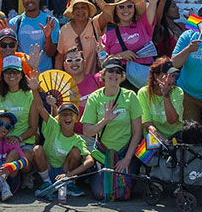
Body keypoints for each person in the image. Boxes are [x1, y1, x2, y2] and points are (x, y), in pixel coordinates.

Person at [80, 57, 144, 201]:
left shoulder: (130, 96)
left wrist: (127, 159)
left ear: (122, 77)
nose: (114, 74)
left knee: (122, 194)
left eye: (118, 71)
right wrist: (105, 120)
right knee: (100, 193)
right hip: (103, 153)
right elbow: (87, 131)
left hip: (125, 152)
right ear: (103, 74)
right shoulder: (95, 98)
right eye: (111, 70)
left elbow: (137, 133)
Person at [35, 102, 97, 204]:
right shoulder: (54, 127)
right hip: (48, 167)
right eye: (64, 114)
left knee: (76, 151)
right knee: (37, 149)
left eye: (71, 114)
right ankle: (46, 182)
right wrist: (34, 89)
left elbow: (90, 161)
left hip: (65, 171)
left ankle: (68, 183)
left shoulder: (78, 140)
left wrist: (69, 175)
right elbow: (40, 108)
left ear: (77, 119)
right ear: (59, 118)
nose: (68, 117)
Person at [103, 0, 162, 88]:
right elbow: (103, 63)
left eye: (130, 6)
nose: (126, 10)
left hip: (145, 81)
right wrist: (119, 56)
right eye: (121, 7)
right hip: (120, 82)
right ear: (115, 11)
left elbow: (153, 0)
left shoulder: (143, 24)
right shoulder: (108, 36)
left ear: (134, 9)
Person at [57, 0, 109, 77]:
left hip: (93, 80)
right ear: (72, 12)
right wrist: (59, 80)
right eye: (76, 8)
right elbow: (60, 57)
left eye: (83, 7)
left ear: (88, 10)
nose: (80, 11)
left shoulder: (95, 24)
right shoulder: (64, 30)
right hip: (71, 83)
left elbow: (108, 12)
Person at [9, 0, 58, 71]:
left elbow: (51, 53)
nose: (29, 0)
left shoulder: (51, 21)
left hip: (44, 73)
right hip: (22, 74)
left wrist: (48, 37)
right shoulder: (14, 22)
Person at [138, 58, 185, 142]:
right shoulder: (143, 93)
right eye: (167, 76)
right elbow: (146, 122)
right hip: (153, 137)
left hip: (174, 137)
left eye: (173, 76)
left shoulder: (177, 92)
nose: (172, 80)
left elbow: (172, 120)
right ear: (156, 76)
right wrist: (157, 135)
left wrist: (165, 94)